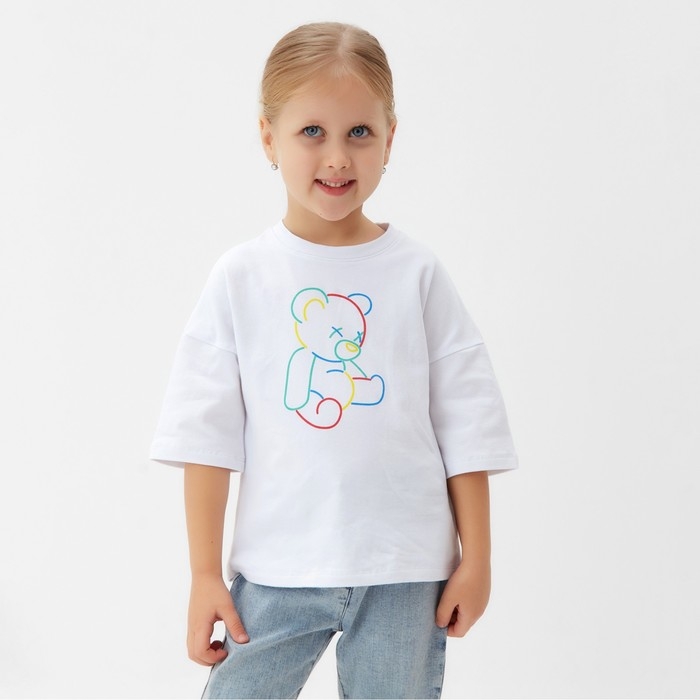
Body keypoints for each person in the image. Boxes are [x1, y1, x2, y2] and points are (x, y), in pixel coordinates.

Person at [150, 21, 518, 700]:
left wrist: (479, 558)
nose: (338, 158)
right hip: (276, 571)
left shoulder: (417, 274)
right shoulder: (242, 278)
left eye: (359, 132)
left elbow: (466, 423)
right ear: (269, 137)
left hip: (405, 571)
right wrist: (203, 574)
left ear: (390, 139)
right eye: (312, 132)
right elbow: (206, 436)